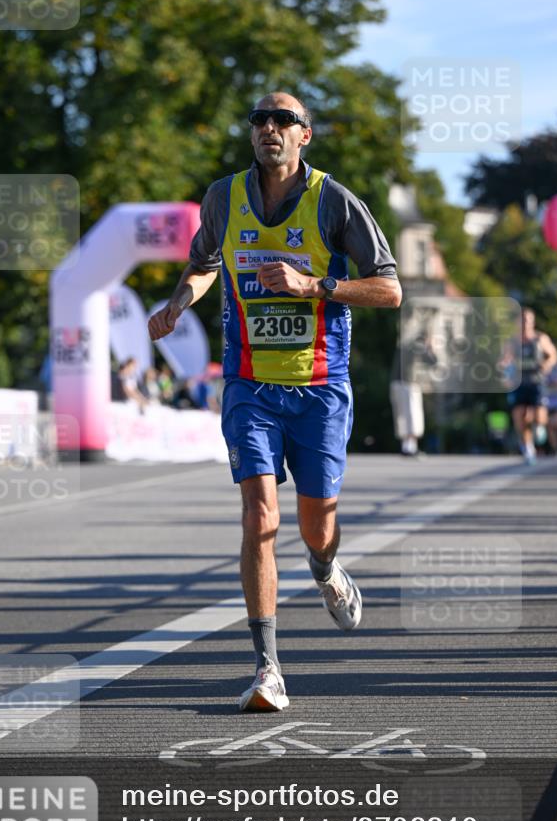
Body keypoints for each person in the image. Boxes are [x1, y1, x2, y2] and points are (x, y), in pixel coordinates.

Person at [148, 91, 401, 712]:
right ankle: (268, 669)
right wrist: (181, 300)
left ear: (305, 135)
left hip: (319, 387)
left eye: (284, 120)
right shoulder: (222, 197)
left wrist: (315, 284)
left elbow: (390, 290)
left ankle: (325, 570)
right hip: (248, 384)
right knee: (259, 517)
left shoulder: (334, 201)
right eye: (260, 119)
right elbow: (205, 261)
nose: (270, 128)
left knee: (318, 526)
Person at [505, 308, 557, 464]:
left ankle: (539, 428)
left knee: (539, 417)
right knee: (520, 416)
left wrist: (546, 365)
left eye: (528, 320)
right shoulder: (512, 341)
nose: (525, 323)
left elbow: (553, 355)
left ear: (532, 322)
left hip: (537, 382)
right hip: (520, 382)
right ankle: (528, 447)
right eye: (522, 320)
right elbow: (504, 360)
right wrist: (504, 372)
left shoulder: (540, 339)